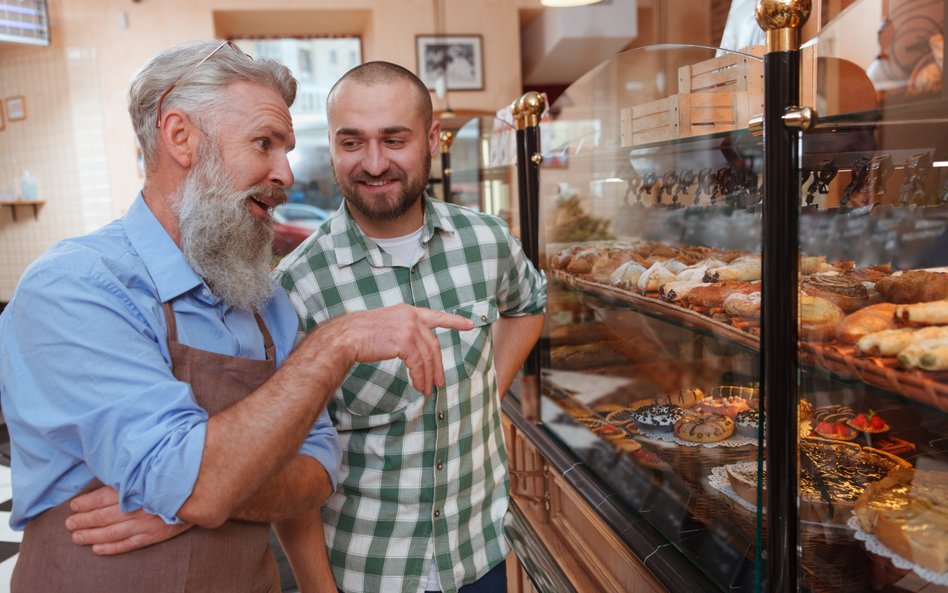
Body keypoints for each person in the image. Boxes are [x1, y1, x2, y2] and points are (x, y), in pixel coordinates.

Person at [0, 40, 473, 593]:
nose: (286, 173)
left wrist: (186, 500)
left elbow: (319, 467)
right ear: (181, 137)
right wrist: (334, 344)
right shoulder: (78, 286)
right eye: (265, 144)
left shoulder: (262, 299)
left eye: (287, 149)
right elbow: (199, 485)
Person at [273, 61, 547, 593]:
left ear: (432, 139)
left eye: (394, 140)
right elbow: (289, 466)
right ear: (331, 146)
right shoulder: (295, 287)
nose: (374, 163)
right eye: (352, 143)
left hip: (485, 553)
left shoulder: (487, 241)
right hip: (368, 571)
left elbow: (529, 302)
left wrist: (487, 393)